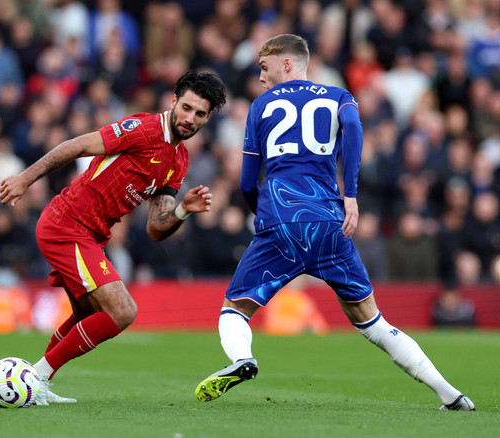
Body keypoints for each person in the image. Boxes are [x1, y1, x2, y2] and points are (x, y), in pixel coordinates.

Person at [194, 34, 475, 411]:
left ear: (287, 63)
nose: (260, 77)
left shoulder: (260, 106)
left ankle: (242, 359)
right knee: (372, 322)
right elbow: (355, 131)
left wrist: (258, 212)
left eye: (264, 66)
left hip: (280, 221)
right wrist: (351, 194)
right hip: (329, 222)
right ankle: (450, 394)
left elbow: (247, 181)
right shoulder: (339, 96)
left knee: (234, 310)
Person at [0, 70, 226, 406]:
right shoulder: (145, 129)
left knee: (88, 315)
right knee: (122, 311)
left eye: (199, 114)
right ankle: (35, 377)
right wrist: (25, 178)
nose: (190, 118)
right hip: (68, 225)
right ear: (173, 101)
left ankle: (37, 383)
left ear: (208, 118)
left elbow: (155, 227)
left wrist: (183, 211)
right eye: (187, 108)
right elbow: (77, 145)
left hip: (91, 236)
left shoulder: (178, 160)